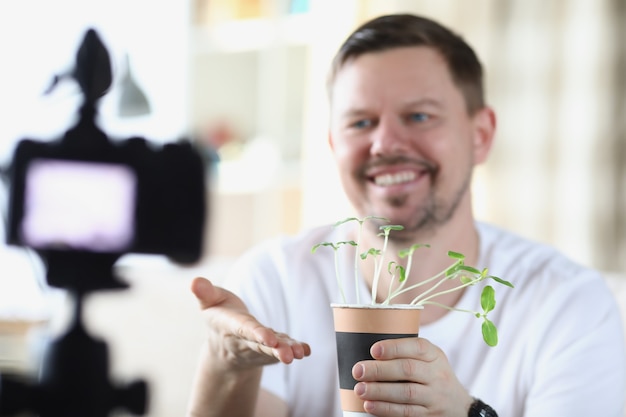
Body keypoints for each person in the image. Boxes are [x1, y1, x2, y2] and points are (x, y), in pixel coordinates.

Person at [185, 13, 626, 417]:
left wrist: (466, 413)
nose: (385, 144)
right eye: (360, 122)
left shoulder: (567, 303)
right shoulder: (275, 278)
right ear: (334, 145)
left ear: (481, 135)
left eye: (418, 116)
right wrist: (226, 365)